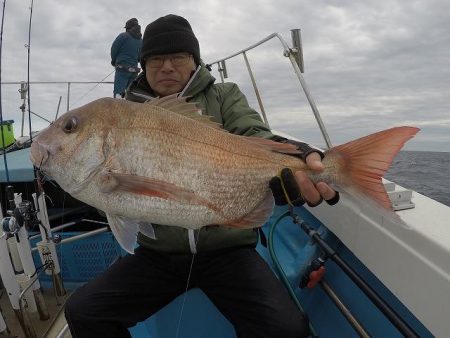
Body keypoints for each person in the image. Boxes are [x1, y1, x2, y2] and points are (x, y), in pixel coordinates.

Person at [65, 14, 339, 338]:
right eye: (155, 58)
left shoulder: (223, 96)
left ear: (194, 60)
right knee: (83, 311)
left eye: (177, 57)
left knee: (286, 329)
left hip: (227, 249)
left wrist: (293, 156)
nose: (166, 66)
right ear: (143, 64)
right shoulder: (123, 113)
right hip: (158, 255)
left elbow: (253, 133)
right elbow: (114, 201)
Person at [110, 18, 142, 98]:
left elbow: (114, 49)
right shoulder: (141, 40)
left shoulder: (123, 36)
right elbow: (140, 55)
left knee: (119, 90)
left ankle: (117, 106)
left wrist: (113, 61)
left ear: (128, 27)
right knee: (130, 91)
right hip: (134, 70)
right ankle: (130, 106)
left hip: (122, 68)